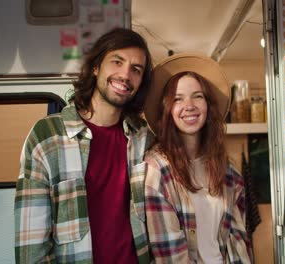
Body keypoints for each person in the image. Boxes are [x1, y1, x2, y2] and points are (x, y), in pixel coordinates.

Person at [14, 28, 154, 263]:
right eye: (117, 62)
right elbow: (31, 247)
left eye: (136, 69)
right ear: (96, 66)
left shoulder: (144, 139)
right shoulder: (47, 137)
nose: (125, 75)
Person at [143, 54, 254, 263]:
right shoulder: (157, 169)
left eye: (198, 96)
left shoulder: (228, 171)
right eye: (178, 98)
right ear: (167, 109)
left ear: (208, 105)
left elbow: (239, 242)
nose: (189, 105)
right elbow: (170, 255)